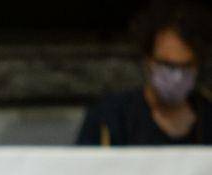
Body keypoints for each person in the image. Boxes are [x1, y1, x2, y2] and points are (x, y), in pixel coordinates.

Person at [76, 1, 212, 145]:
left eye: (186, 66)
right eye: (167, 64)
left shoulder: (207, 115)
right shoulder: (112, 117)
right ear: (148, 59)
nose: (177, 76)